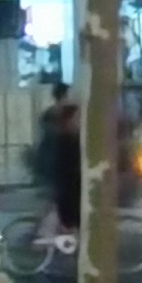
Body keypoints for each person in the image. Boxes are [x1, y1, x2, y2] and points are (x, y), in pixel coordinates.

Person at [36, 92, 87, 236]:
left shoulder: (63, 137)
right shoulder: (67, 139)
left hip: (65, 190)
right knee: (68, 225)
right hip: (68, 192)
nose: (79, 121)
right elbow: (68, 168)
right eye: (76, 118)